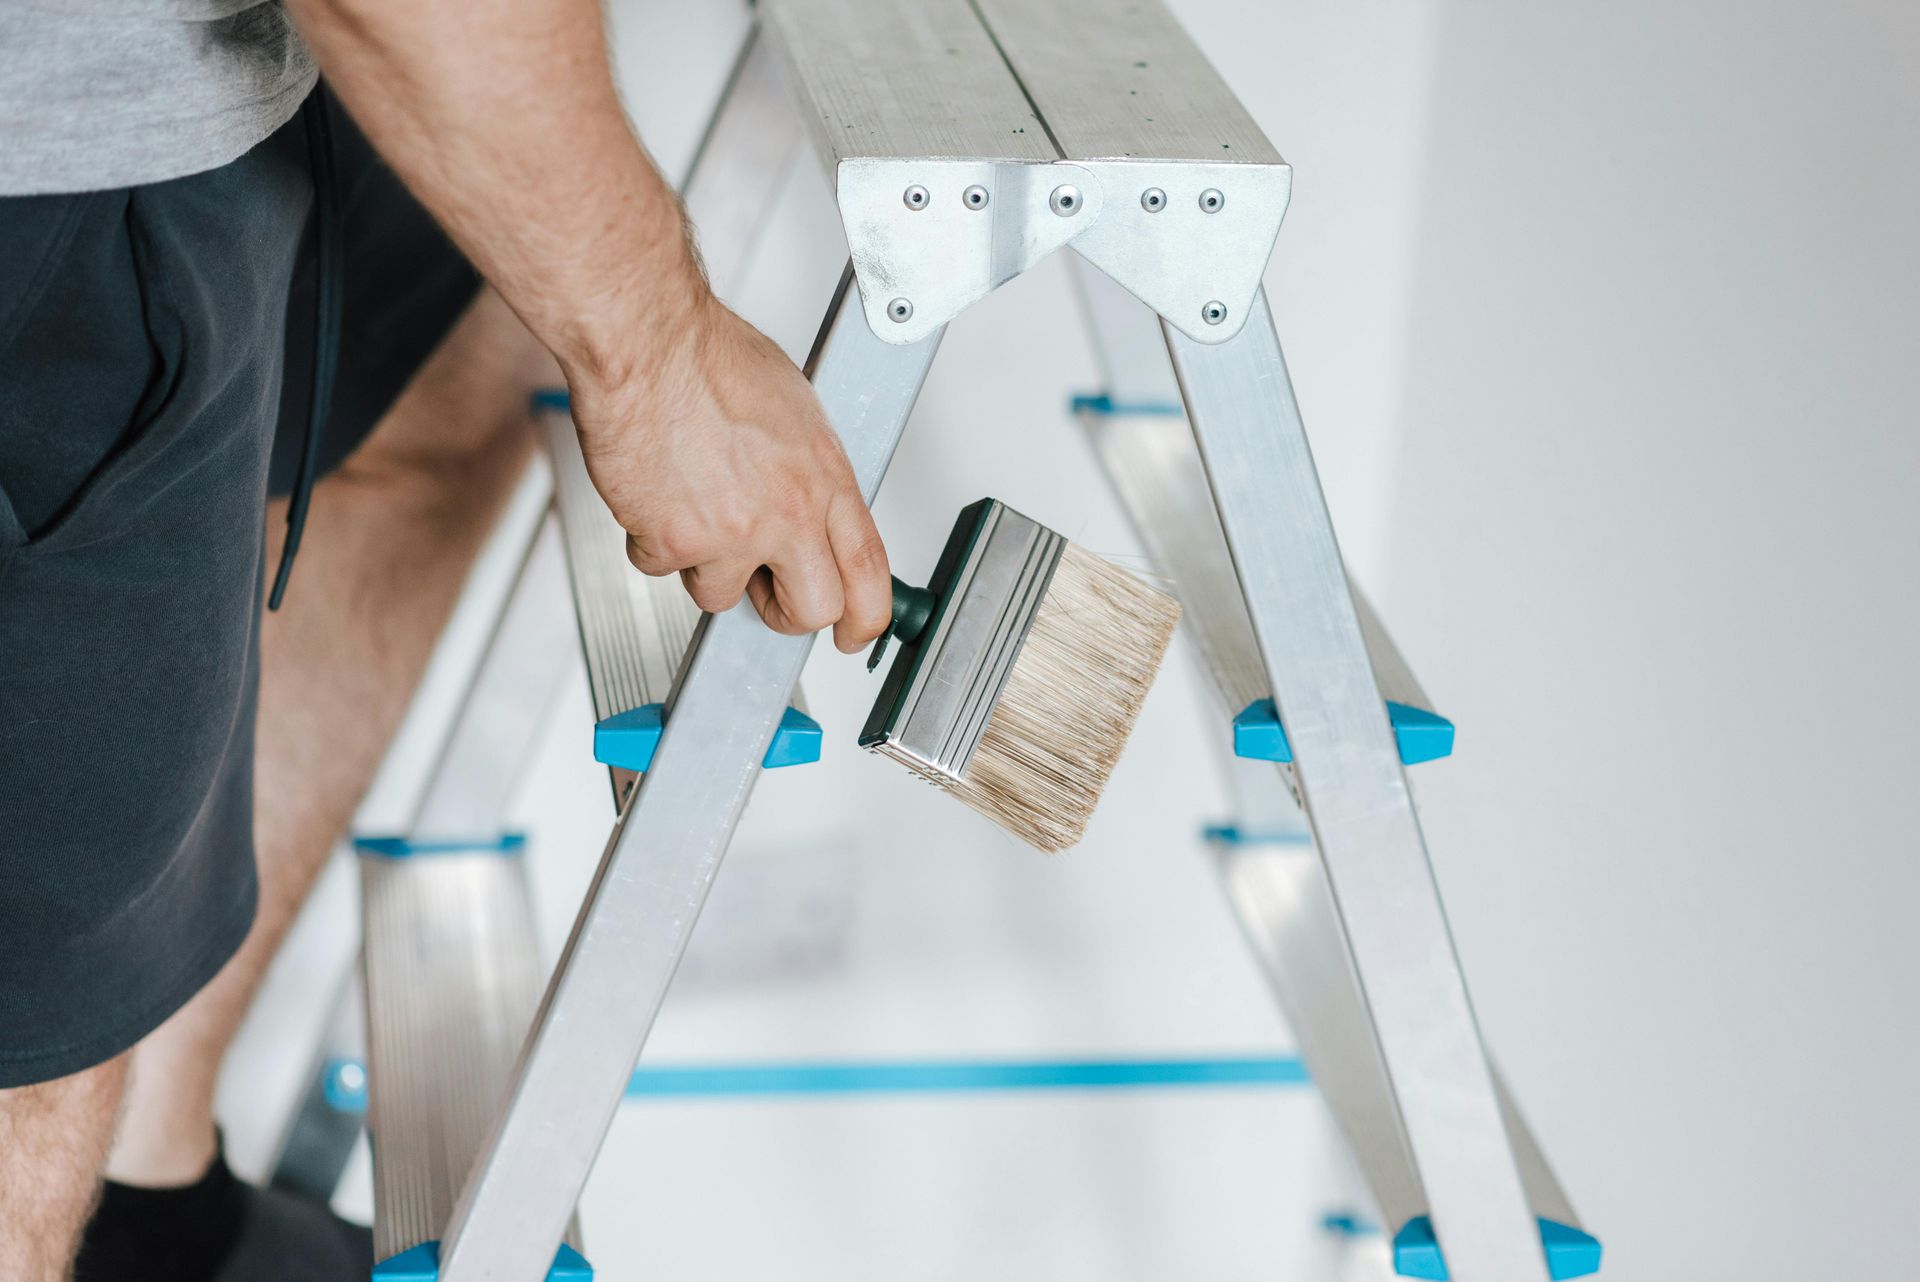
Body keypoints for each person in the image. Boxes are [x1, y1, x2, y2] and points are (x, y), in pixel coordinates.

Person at [0, 0, 893, 1277]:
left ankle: (137, 1203)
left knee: (451, 352)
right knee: (24, 1038)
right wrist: (660, 360)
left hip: (224, 76)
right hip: (48, 167)